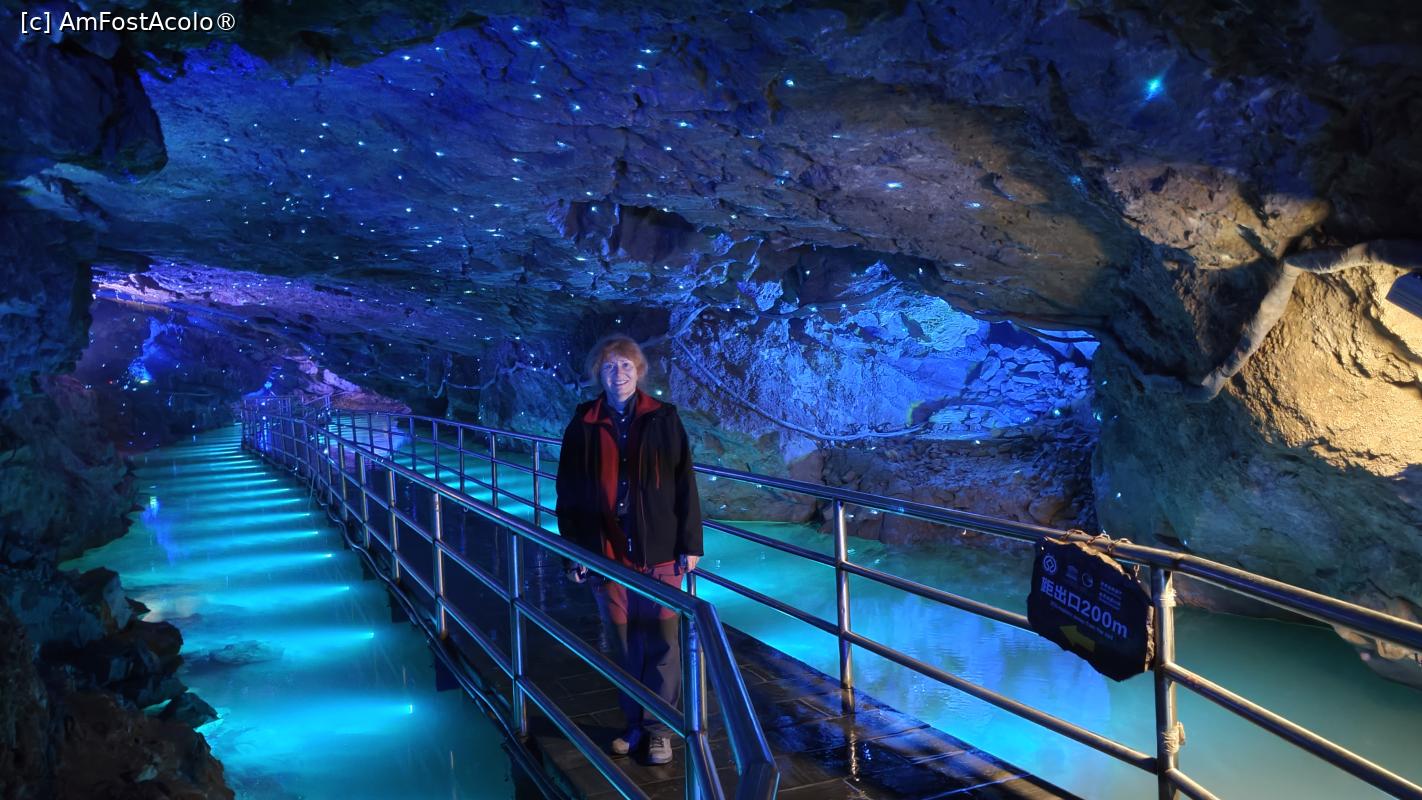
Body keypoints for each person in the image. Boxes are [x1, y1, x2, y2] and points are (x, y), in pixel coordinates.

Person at [555, 334, 703, 766]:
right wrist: (573, 552)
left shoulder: (663, 418)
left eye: (625, 365)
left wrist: (691, 542)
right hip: (607, 553)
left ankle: (659, 732)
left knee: (662, 645)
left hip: (660, 551)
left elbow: (684, 481)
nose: (617, 374)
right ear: (598, 375)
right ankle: (633, 724)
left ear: (638, 371)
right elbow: (568, 493)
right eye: (609, 366)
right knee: (623, 646)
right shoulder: (583, 423)